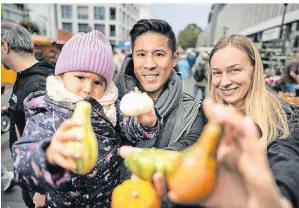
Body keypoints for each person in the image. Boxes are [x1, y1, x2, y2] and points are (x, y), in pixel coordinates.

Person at [12, 30, 161, 208]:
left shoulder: (111, 109)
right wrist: (48, 157)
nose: (87, 89)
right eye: (80, 77)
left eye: (97, 82)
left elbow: (131, 128)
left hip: (105, 201)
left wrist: (147, 122)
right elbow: (23, 162)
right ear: (61, 76)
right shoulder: (46, 112)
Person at [114, 19, 206, 181]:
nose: (149, 64)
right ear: (133, 57)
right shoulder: (107, 101)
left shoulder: (192, 111)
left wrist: (150, 159)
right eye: (141, 54)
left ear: (174, 58)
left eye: (159, 54)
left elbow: (191, 149)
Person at [1, 21, 55, 208]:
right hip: (29, 177)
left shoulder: (38, 84)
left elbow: (47, 141)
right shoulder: (25, 75)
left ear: (5, 46)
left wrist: (40, 190)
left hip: (39, 186)